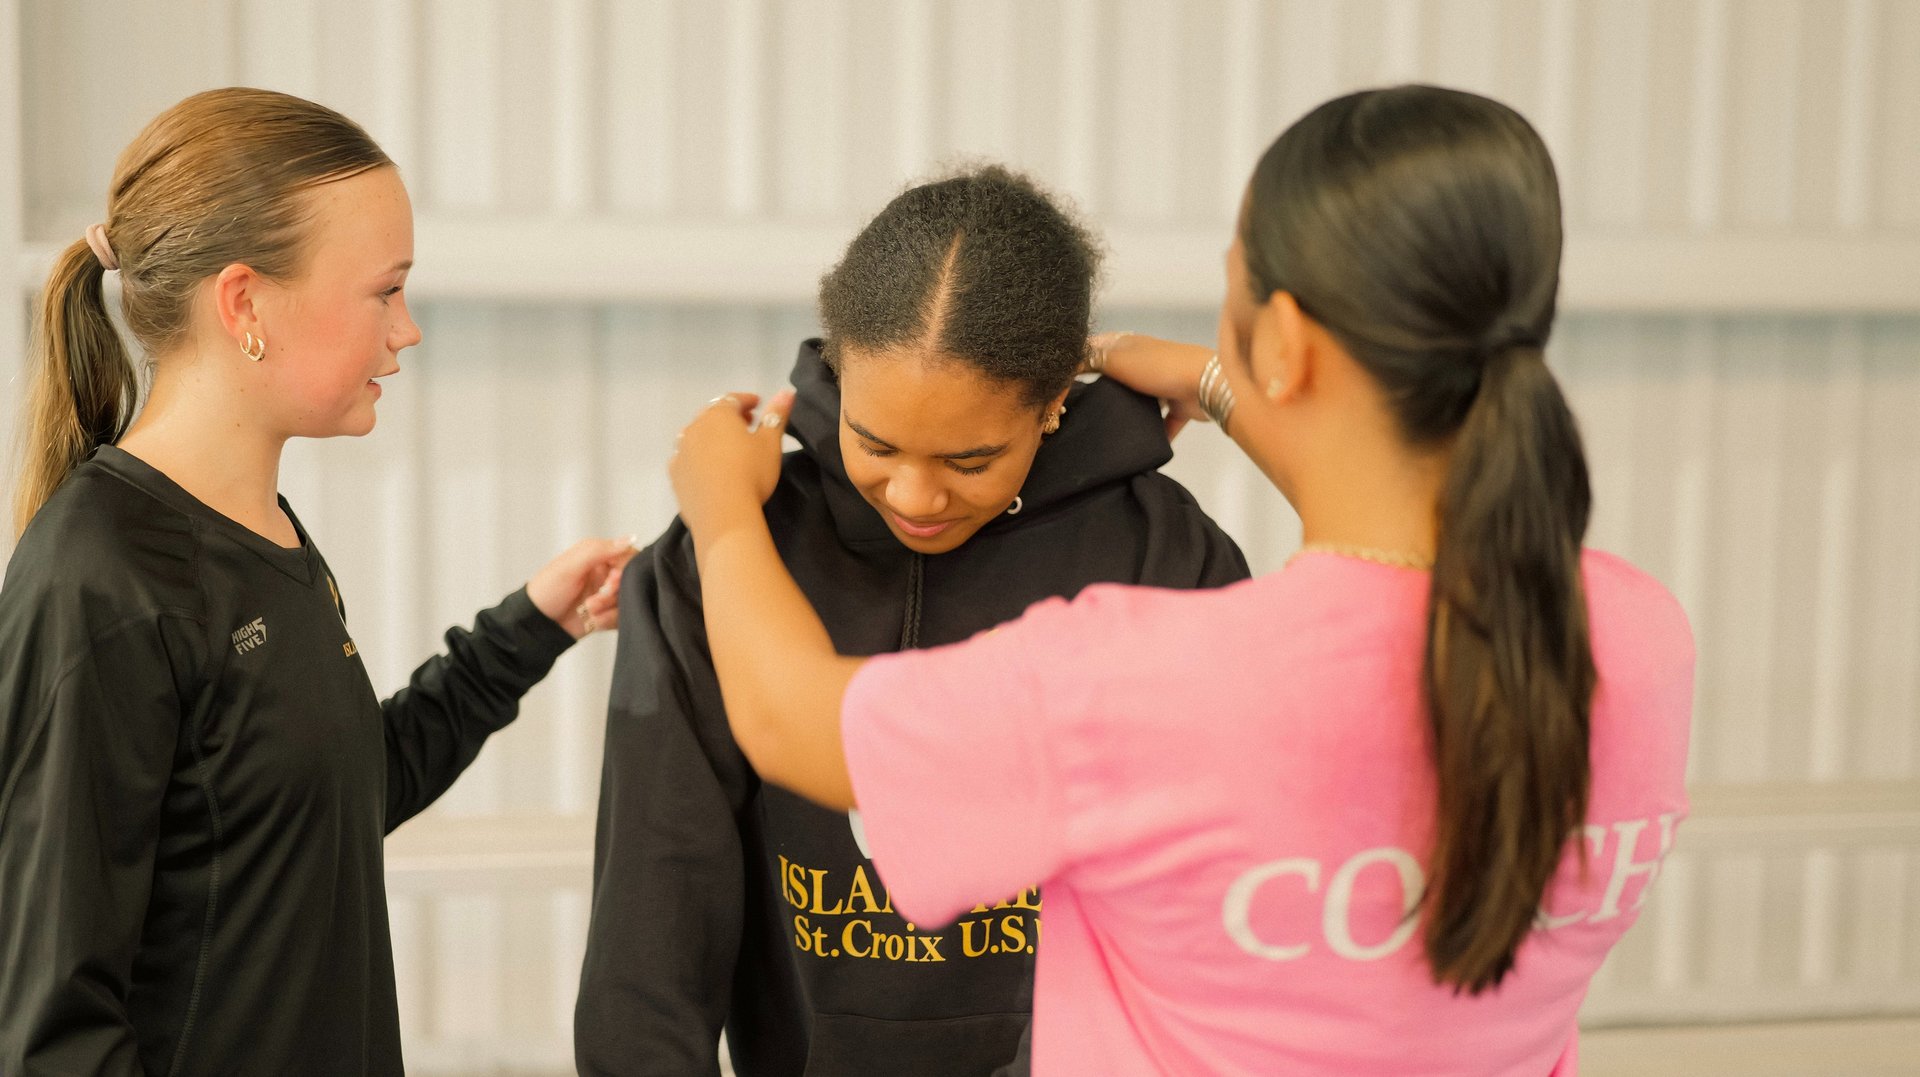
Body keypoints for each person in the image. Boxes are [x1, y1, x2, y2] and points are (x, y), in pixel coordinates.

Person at [667, 86, 1695, 1075]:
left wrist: (718, 509)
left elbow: (790, 716)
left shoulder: (1154, 676)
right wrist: (1221, 382)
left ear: (1285, 341)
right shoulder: (1638, 638)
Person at [0, 88, 634, 1076]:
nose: (407, 328)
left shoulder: (266, 535)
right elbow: (53, 1028)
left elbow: (329, 798)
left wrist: (530, 629)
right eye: (385, 290)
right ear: (245, 302)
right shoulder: (104, 580)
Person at [575, 166, 1248, 1077]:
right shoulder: (726, 555)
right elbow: (649, 940)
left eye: (972, 458)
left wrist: (1219, 381)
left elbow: (1185, 920)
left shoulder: (1165, 561)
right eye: (875, 443)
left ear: (1054, 402)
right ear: (839, 375)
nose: (916, 495)